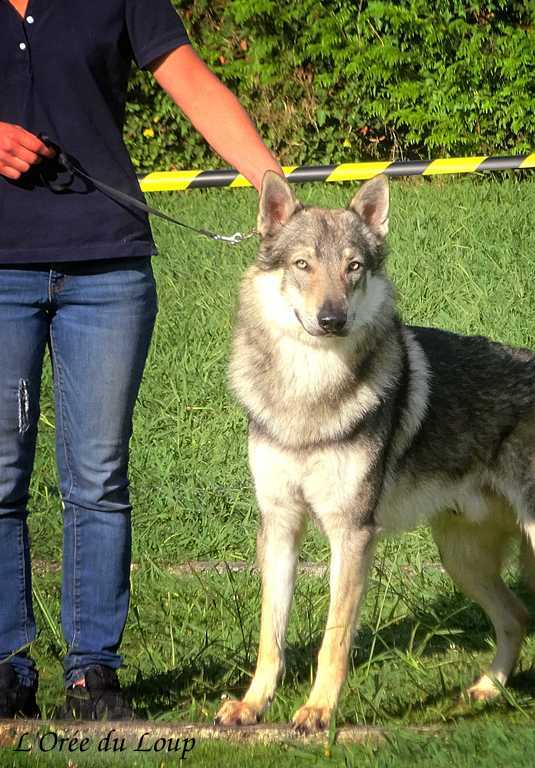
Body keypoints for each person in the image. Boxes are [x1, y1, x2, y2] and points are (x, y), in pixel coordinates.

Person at [0, 0, 282, 720]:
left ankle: (94, 673)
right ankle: (6, 667)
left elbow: (189, 80)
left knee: (97, 475)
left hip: (109, 268)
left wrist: (272, 184)